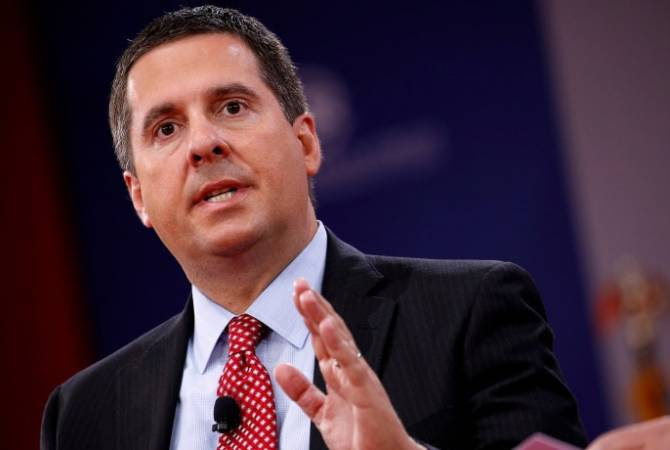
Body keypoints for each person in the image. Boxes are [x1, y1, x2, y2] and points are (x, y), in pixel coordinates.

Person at [41, 6, 587, 450]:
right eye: (166, 128)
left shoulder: (469, 313)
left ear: (305, 143)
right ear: (139, 196)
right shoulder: (84, 415)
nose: (203, 143)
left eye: (232, 106)